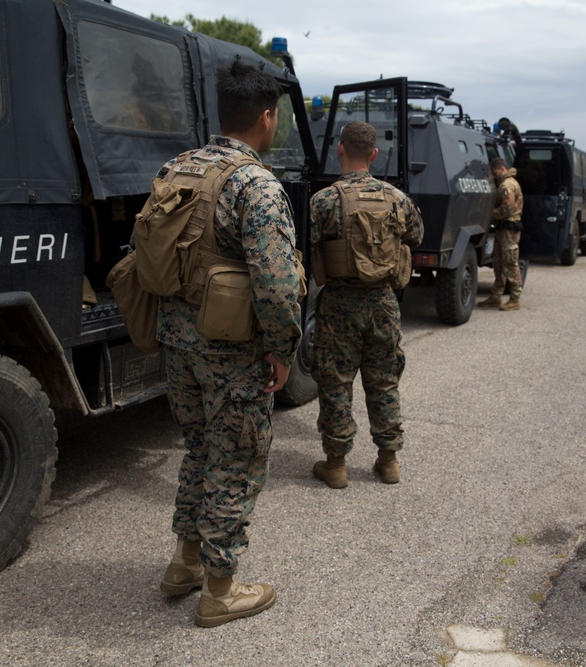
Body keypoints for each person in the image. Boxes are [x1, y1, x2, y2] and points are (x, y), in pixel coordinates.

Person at [157, 62, 303, 627]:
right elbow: (276, 282)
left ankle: (183, 563)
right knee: (236, 459)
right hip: (231, 349)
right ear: (267, 118)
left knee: (199, 449)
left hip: (178, 343)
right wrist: (282, 351)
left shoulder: (179, 169)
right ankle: (220, 590)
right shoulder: (255, 183)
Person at [309, 121, 424, 489]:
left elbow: (303, 242)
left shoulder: (325, 200)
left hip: (339, 305)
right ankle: (388, 461)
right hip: (383, 304)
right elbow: (417, 235)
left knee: (335, 382)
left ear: (340, 149)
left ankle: (336, 464)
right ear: (374, 154)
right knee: (384, 380)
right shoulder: (398, 198)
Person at [479, 158, 525, 310]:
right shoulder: (505, 184)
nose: (494, 176)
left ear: (502, 169)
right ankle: (496, 296)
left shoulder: (508, 185)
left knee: (510, 264)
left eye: (494, 172)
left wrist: (489, 214)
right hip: (502, 229)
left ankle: (515, 299)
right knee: (498, 263)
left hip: (508, 230)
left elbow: (507, 208)